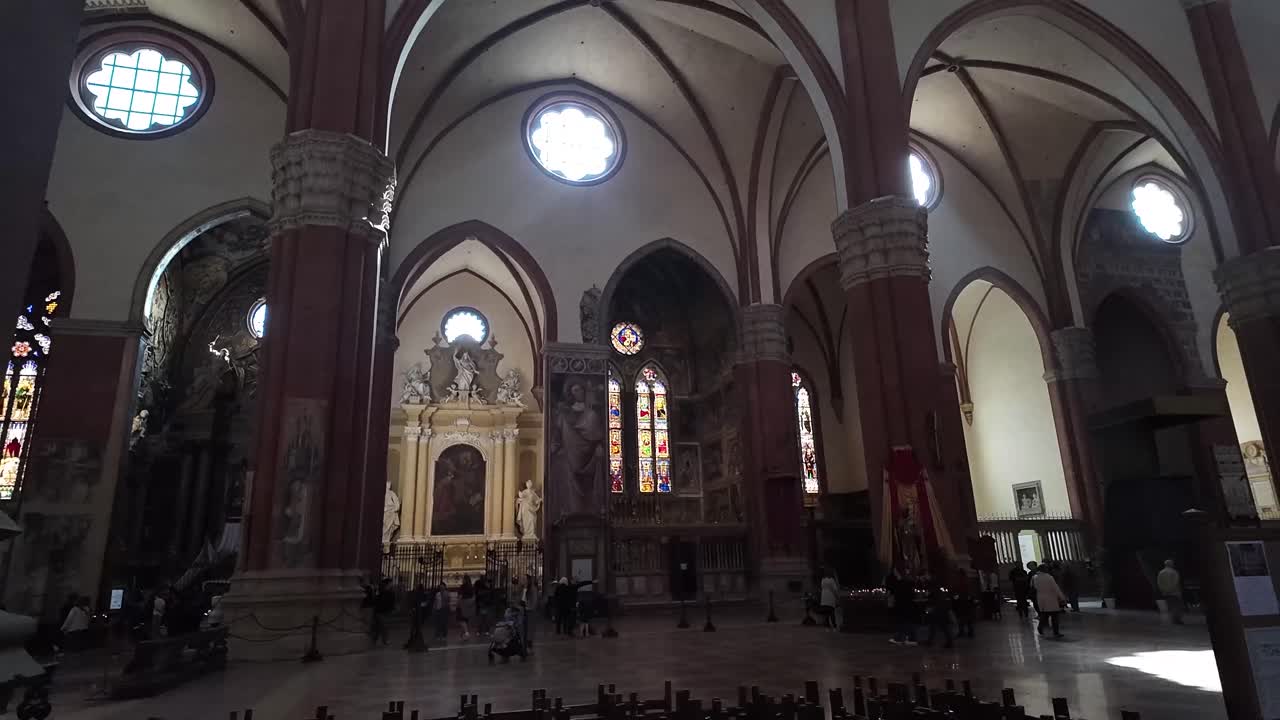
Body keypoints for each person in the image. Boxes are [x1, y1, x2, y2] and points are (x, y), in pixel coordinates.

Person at [1032, 565, 1068, 639]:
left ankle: (1040, 627)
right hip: (1051, 598)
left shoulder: (1034, 577)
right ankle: (1056, 632)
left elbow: (1034, 587)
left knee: (1044, 614)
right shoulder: (1049, 577)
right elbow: (1056, 588)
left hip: (1040, 598)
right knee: (1054, 616)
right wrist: (1062, 598)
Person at [886, 570, 918, 646]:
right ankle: (905, 638)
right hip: (906, 607)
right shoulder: (906, 584)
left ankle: (906, 638)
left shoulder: (904, 584)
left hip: (904, 607)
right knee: (906, 623)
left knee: (905, 623)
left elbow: (900, 594)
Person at [924, 581, 954, 648]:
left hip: (938, 609)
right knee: (936, 625)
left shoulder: (934, 587)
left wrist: (931, 607)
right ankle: (930, 640)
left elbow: (934, 598)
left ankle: (949, 641)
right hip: (939, 608)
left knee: (942, 625)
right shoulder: (936, 587)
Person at [1157, 559, 1184, 625]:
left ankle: (1168, 620)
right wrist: (1171, 590)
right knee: (1176, 607)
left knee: (1168, 607)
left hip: (1165, 592)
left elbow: (1159, 582)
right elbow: (1175, 582)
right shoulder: (1174, 572)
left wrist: (1164, 590)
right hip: (1174, 593)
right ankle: (1176, 620)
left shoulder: (1161, 572)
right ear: (1171, 564)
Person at [371, 578, 395, 646]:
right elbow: (377, 600)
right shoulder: (381, 591)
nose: (392, 584)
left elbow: (391, 602)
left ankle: (375, 639)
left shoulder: (390, 592)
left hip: (385, 611)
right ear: (387, 583)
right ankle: (383, 640)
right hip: (380, 611)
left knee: (380, 626)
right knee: (383, 626)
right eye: (391, 583)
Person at [458, 575, 475, 640]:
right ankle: (463, 635)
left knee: (461, 620)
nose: (462, 580)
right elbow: (474, 596)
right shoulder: (471, 587)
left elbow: (460, 596)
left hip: (463, 604)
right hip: (469, 605)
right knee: (466, 620)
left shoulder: (462, 587)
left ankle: (466, 633)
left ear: (465, 580)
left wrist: (458, 604)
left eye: (463, 579)